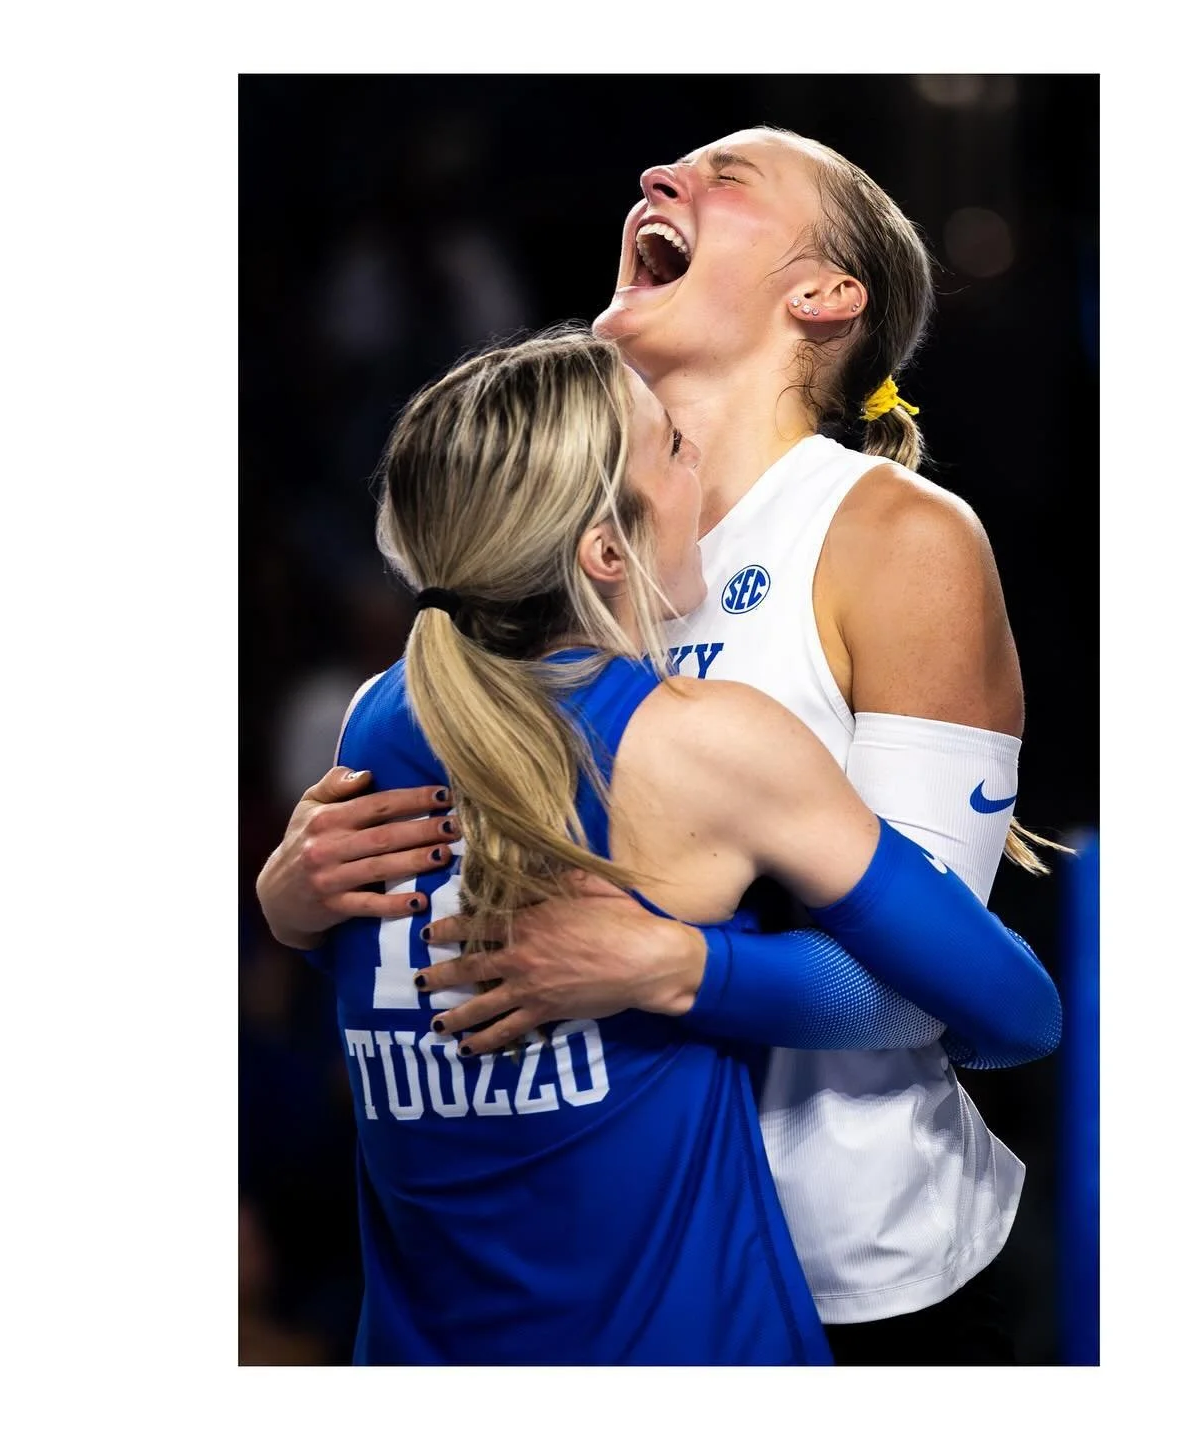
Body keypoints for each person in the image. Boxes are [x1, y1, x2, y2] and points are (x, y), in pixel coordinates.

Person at [258, 127, 1060, 1364]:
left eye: (726, 178)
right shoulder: (517, 563)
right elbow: (461, 961)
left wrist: (671, 964)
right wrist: (308, 910)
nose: (654, 181)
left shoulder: (892, 536)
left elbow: (946, 989)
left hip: (849, 1267)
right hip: (587, 1253)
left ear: (823, 295)